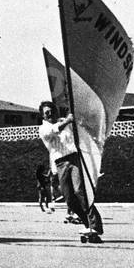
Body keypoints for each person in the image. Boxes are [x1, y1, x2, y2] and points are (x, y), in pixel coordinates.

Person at [37, 101, 103, 242]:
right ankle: (87, 224)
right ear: (43, 115)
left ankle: (95, 225)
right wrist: (68, 120)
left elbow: (80, 131)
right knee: (70, 200)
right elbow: (54, 131)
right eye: (47, 113)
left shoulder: (66, 122)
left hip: (74, 159)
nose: (50, 114)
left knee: (80, 191)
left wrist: (74, 121)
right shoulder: (43, 129)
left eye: (52, 111)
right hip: (60, 164)